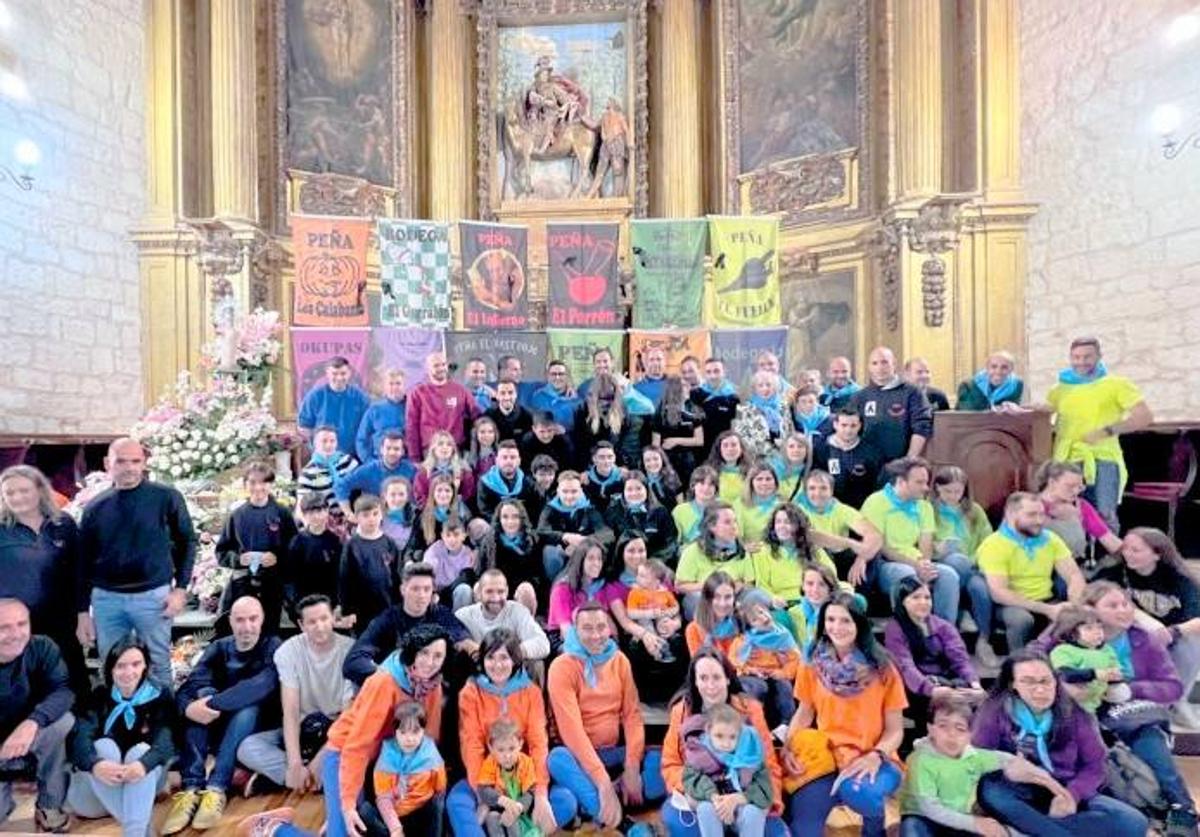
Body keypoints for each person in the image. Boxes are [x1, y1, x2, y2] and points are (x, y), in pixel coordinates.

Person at [970, 648, 1148, 835]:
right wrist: (1006, 765)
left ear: (1056, 682)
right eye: (1028, 681)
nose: (1040, 689)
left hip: (1063, 787)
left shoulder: (1076, 714)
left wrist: (1073, 795)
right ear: (1013, 684)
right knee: (993, 793)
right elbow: (976, 757)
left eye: (1045, 681)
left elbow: (1095, 765)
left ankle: (1030, 830)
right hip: (1016, 790)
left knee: (1134, 822)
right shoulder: (995, 711)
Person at [1074, 582, 1199, 831]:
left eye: (1126, 604)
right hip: (1083, 706)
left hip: (1131, 708)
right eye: (1113, 606)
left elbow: (1172, 687)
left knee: (1145, 730)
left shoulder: (1145, 640)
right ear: (1090, 610)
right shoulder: (1068, 633)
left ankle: (1182, 807)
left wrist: (1131, 689)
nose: (1123, 611)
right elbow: (1035, 659)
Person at [77, 437, 196, 688]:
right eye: (121, 461)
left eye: (135, 461)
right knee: (113, 667)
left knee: (157, 665)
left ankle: (163, 724)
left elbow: (187, 542)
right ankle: (117, 724)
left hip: (153, 598)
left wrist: (181, 589)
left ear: (144, 463)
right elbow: (83, 562)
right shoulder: (95, 508)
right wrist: (82, 613)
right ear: (108, 463)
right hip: (107, 601)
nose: (129, 467)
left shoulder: (166, 498)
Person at [785, 593, 906, 837]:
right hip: (827, 759)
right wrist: (789, 747)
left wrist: (876, 755)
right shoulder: (812, 662)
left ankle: (876, 831)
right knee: (802, 830)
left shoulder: (884, 668)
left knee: (859, 793)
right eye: (830, 619)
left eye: (845, 620)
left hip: (874, 758)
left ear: (859, 624)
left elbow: (896, 730)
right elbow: (804, 712)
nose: (836, 627)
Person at [165, 597, 281, 834]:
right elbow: (190, 685)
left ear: (262, 619)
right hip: (220, 728)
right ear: (230, 621)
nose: (246, 626)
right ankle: (191, 788)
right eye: (240, 620)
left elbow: (260, 686)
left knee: (246, 707)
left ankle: (217, 787)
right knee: (198, 700)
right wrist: (190, 707)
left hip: (257, 727)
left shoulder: (273, 646)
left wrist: (211, 704)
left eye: (252, 619)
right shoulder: (219, 647)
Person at [546, 603, 666, 829]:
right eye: (587, 628)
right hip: (580, 758)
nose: (596, 635)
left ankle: (595, 803)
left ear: (609, 628)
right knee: (557, 759)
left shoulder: (619, 660)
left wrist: (631, 768)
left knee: (662, 762)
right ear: (575, 631)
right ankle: (620, 820)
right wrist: (602, 780)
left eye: (601, 627)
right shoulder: (561, 667)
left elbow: (632, 716)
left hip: (612, 754)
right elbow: (572, 733)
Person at [323, 625, 450, 837]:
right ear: (412, 652)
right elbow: (357, 747)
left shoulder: (433, 683)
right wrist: (347, 805)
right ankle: (276, 828)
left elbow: (429, 738)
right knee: (344, 831)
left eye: (438, 655)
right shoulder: (383, 682)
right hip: (345, 755)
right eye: (424, 653)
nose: (430, 662)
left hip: (385, 761)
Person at [447, 630, 567, 836]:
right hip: (486, 775)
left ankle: (517, 827)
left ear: (515, 660)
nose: (497, 664)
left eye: (504, 657)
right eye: (490, 657)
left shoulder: (531, 692)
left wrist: (540, 795)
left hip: (522, 776)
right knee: (457, 802)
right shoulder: (471, 691)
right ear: (482, 660)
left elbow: (538, 743)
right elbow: (472, 745)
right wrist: (482, 796)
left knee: (565, 800)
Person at [899, 693, 1069, 837]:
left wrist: (1054, 787)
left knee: (999, 830)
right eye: (943, 726)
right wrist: (975, 823)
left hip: (961, 819)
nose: (951, 735)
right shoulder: (920, 760)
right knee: (912, 830)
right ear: (931, 729)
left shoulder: (974, 757)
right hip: (923, 817)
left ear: (970, 734)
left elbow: (1009, 760)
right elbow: (930, 808)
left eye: (960, 728)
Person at [659, 649, 786, 837]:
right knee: (680, 823)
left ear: (727, 678)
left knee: (772, 831)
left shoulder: (750, 709)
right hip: (702, 797)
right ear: (695, 681)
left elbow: (768, 766)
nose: (710, 685)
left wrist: (746, 798)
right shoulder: (681, 712)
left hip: (744, 795)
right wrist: (707, 793)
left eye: (716, 677)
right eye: (703, 678)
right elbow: (671, 764)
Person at [236, 594, 353, 797]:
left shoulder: (350, 650)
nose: (320, 626)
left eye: (324, 619)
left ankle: (284, 780)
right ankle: (305, 778)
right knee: (248, 747)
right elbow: (290, 712)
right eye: (312, 622)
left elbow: (350, 716)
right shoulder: (287, 652)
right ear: (301, 624)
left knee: (362, 749)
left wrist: (321, 759)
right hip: (304, 730)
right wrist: (294, 762)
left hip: (338, 731)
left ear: (333, 617)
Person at [66, 635, 174, 837]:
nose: (129, 672)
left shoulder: (160, 695)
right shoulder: (98, 695)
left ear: (145, 666)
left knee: (141, 751)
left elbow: (166, 742)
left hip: (142, 783)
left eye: (136, 664)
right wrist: (95, 764)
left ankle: (134, 832)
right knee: (104, 746)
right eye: (121, 666)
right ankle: (141, 829)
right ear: (110, 668)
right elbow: (79, 740)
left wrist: (142, 765)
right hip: (96, 793)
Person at [1046, 336, 1153, 529]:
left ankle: (1110, 557)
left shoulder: (1117, 384)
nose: (1081, 362)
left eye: (1087, 356)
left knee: (1105, 513)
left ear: (1099, 356)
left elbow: (1144, 416)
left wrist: (1107, 430)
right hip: (1067, 459)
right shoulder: (1059, 389)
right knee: (1067, 513)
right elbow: (1042, 417)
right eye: (1076, 357)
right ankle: (1077, 557)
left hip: (1103, 458)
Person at [0, 465, 88, 695]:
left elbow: (79, 572)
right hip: (18, 625)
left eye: (24, 490)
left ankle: (79, 726)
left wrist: (83, 613)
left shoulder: (63, 524)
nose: (17, 497)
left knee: (72, 681)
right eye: (9, 493)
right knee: (27, 686)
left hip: (62, 620)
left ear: (39, 490)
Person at [1101, 527, 1200, 728]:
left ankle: (1175, 701)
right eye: (1126, 548)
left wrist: (1173, 632)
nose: (1128, 553)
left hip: (1169, 635)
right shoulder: (1113, 572)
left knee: (1189, 643)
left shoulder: (1179, 579)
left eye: (1136, 550)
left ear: (1156, 554)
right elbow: (1092, 599)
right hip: (1126, 631)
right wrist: (1143, 620)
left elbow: (1197, 619)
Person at [0, 599, 74, 833]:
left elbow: (63, 690)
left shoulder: (42, 647)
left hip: (32, 737)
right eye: (4, 627)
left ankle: (49, 805)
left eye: (22, 624)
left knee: (63, 721)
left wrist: (33, 722)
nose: (16, 634)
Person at [977, 492, 1085, 651]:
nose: (1039, 521)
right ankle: (1017, 663)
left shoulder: (1051, 539)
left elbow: (1074, 575)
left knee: (1072, 615)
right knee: (1021, 619)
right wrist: (1047, 610)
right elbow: (999, 592)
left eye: (1042, 514)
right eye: (1032, 515)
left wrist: (1074, 604)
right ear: (1011, 515)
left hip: (1048, 598)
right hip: (1011, 604)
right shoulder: (994, 544)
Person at [860, 458, 961, 623]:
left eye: (926, 482)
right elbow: (880, 547)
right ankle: (910, 633)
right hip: (885, 564)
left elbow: (925, 544)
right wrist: (916, 566)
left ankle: (944, 631)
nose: (926, 488)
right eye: (920, 482)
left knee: (949, 575)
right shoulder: (875, 502)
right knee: (908, 576)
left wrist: (925, 565)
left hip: (917, 560)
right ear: (901, 481)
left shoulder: (924, 506)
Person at [883, 578, 983, 743]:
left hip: (945, 683)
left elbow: (961, 660)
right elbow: (905, 667)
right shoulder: (895, 629)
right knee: (935, 703)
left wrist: (975, 685)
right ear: (902, 602)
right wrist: (931, 690)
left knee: (970, 697)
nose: (923, 602)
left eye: (927, 597)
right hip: (915, 688)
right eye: (915, 597)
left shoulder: (943, 626)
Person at [342, 563, 471, 687]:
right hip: (397, 687)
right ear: (403, 589)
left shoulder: (440, 614)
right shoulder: (387, 620)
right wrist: (391, 677)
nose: (421, 595)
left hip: (433, 687)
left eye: (427, 589)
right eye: (415, 589)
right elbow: (353, 662)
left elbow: (464, 640)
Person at [217, 461, 298, 635]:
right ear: (245, 484)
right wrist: (238, 560)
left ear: (271, 484)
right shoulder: (237, 515)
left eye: (263, 482)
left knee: (269, 631)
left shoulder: (281, 513)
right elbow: (221, 552)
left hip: (272, 584)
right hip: (243, 585)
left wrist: (278, 557)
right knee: (246, 632)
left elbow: (295, 549)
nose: (258, 487)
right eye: (253, 482)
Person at [930, 465, 998, 668]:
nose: (953, 496)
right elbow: (921, 541)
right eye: (947, 491)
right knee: (955, 563)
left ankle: (983, 640)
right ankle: (958, 619)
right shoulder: (928, 510)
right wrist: (937, 548)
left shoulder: (974, 511)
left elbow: (988, 542)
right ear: (937, 489)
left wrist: (974, 559)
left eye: (957, 491)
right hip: (940, 563)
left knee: (980, 588)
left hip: (973, 564)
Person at [750, 504, 850, 641]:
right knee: (802, 614)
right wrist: (772, 598)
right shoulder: (763, 551)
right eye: (778, 522)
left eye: (788, 522)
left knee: (851, 598)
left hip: (818, 596)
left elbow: (830, 573)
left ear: (798, 526)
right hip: (788, 602)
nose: (782, 526)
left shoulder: (812, 548)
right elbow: (762, 584)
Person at [682, 704, 773, 837]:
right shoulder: (698, 754)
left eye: (732, 737)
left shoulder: (751, 755)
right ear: (708, 730)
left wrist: (739, 798)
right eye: (719, 736)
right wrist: (713, 796)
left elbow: (765, 789)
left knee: (753, 813)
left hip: (741, 808)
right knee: (705, 809)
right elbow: (691, 779)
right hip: (716, 806)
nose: (726, 743)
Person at [796, 469, 882, 589]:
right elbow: (810, 536)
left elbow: (875, 536)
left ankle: (859, 600)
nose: (818, 493)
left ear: (831, 491)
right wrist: (850, 543)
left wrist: (862, 558)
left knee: (873, 555)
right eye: (812, 488)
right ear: (805, 492)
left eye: (823, 488)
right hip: (814, 558)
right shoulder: (798, 511)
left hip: (839, 556)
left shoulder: (840, 509)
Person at [728, 589, 800, 729]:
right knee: (753, 688)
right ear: (749, 627)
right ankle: (751, 725)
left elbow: (794, 659)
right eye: (755, 619)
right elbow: (733, 659)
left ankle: (787, 725)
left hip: (776, 672)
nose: (762, 617)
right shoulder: (744, 640)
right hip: (754, 674)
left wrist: (783, 673)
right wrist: (749, 669)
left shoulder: (782, 635)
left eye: (762, 612)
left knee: (784, 687)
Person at [372, 702, 447, 836]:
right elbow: (383, 797)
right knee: (366, 811)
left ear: (423, 731)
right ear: (395, 733)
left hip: (421, 812)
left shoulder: (430, 753)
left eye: (415, 732)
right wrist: (395, 828)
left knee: (437, 804)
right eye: (403, 732)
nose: (409, 739)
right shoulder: (387, 755)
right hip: (394, 815)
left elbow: (440, 787)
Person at [848, 346, 934, 460]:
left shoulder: (912, 392)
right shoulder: (860, 397)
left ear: (894, 364)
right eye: (875, 363)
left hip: (900, 464)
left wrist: (909, 460)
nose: (880, 367)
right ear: (869, 367)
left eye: (884, 362)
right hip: (868, 465)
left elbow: (922, 427)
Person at [1037, 460, 1123, 568]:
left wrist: (1134, 552)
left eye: (1079, 487)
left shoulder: (1081, 506)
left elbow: (1108, 538)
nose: (1076, 492)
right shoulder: (1030, 505)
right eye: (1070, 486)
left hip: (1070, 568)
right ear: (1052, 483)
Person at [1047, 604, 1131, 714]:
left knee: (1123, 692)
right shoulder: (1063, 651)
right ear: (1072, 633)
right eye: (1089, 628)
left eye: (1099, 627)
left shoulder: (1106, 649)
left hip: (1099, 698)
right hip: (1072, 705)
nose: (1097, 632)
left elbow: (1115, 667)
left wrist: (1115, 676)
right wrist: (1094, 674)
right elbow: (1064, 674)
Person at [337, 494, 402, 632]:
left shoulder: (389, 543)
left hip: (387, 605)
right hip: (361, 610)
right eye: (366, 515)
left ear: (381, 515)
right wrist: (347, 611)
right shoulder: (352, 546)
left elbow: (397, 576)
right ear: (357, 518)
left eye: (375, 514)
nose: (371, 519)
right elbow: (345, 580)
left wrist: (400, 605)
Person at [455, 570, 550, 665]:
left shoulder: (518, 611)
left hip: (510, 669)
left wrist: (509, 653)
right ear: (479, 593)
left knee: (536, 664)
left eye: (500, 592)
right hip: (477, 670)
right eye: (489, 591)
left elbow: (543, 644)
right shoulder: (463, 616)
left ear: (507, 591)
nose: (496, 598)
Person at [535, 470, 613, 586]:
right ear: (558, 491)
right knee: (550, 552)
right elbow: (541, 531)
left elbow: (607, 534)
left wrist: (582, 543)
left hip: (584, 554)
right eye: (565, 491)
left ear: (581, 491)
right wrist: (565, 537)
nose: (569, 496)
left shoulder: (589, 508)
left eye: (574, 491)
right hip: (560, 555)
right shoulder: (550, 509)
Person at [676, 503, 751, 619]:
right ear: (712, 526)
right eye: (727, 522)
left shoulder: (741, 550)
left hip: (734, 597)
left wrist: (729, 592)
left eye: (735, 521)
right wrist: (713, 587)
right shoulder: (692, 551)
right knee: (695, 599)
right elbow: (680, 586)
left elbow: (748, 582)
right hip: (705, 597)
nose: (734, 526)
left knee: (757, 596)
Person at [407, 352, 481, 460]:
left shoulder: (460, 390)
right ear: (427, 369)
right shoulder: (417, 393)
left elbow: (477, 416)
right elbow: (411, 426)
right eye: (436, 365)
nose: (441, 368)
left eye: (443, 364)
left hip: (455, 449)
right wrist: (415, 457)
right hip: (429, 451)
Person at [574, 373, 654, 469]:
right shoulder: (583, 411)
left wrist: (624, 466)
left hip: (616, 462)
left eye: (610, 398)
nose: (605, 403)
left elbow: (628, 445)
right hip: (590, 463)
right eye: (601, 399)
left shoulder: (622, 411)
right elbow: (580, 445)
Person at [810, 407, 885, 510]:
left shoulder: (871, 452)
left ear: (859, 426)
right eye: (844, 425)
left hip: (861, 510)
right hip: (828, 510)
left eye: (853, 426)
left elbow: (878, 484)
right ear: (835, 425)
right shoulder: (820, 448)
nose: (848, 430)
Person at [476, 504, 545, 615]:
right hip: (497, 590)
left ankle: (524, 627)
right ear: (499, 519)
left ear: (521, 519)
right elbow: (481, 571)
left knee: (526, 589)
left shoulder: (532, 540)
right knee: (479, 587)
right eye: (505, 517)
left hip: (521, 590)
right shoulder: (489, 541)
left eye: (515, 517)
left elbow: (537, 575)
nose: (510, 521)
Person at [473, 719, 537, 837]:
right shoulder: (490, 762)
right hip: (498, 806)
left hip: (518, 809)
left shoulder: (526, 763)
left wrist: (516, 808)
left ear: (520, 744)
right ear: (491, 748)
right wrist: (502, 800)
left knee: (512, 822)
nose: (507, 756)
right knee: (491, 818)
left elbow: (530, 793)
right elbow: (483, 789)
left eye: (512, 748)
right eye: (501, 750)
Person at [546, 538, 626, 633]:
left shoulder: (601, 586)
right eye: (591, 558)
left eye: (599, 559)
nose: (596, 563)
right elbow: (566, 629)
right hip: (564, 636)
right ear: (581, 560)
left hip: (593, 635)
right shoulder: (562, 588)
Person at [298, 357, 371, 456]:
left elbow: (368, 428)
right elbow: (304, 427)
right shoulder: (315, 396)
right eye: (335, 374)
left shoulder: (360, 398)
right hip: (323, 457)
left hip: (354, 457)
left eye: (343, 373)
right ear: (327, 373)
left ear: (349, 373)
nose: (339, 378)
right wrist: (316, 448)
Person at [286, 494, 344, 616]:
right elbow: (290, 579)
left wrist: (339, 603)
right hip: (305, 605)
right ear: (304, 515)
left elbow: (340, 575)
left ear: (327, 511)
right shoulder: (297, 543)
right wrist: (297, 606)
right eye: (311, 513)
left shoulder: (334, 541)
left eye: (320, 511)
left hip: (330, 605)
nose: (317, 516)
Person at [604, 471, 678, 563]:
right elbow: (608, 540)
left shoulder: (660, 512)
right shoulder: (613, 511)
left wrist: (652, 563)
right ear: (623, 492)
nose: (634, 493)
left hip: (653, 564)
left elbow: (670, 543)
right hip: (622, 565)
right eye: (629, 489)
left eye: (638, 488)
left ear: (646, 489)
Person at [334, 431, 415, 513]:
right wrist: (349, 514)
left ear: (403, 452)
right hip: (373, 519)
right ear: (381, 449)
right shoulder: (368, 470)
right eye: (388, 448)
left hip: (404, 518)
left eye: (396, 449)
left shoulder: (411, 470)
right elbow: (341, 486)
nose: (392, 452)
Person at [625, 559, 681, 662]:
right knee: (647, 625)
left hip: (660, 615)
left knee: (664, 620)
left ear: (656, 582)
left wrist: (667, 613)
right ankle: (659, 650)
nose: (637, 578)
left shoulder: (664, 592)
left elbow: (676, 607)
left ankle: (670, 640)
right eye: (638, 574)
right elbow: (631, 613)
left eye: (642, 576)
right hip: (644, 618)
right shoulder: (636, 592)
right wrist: (648, 613)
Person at [653, 378, 706, 484]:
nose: (688, 389)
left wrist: (675, 440)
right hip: (667, 459)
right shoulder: (661, 413)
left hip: (688, 459)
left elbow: (699, 440)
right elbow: (655, 444)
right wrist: (665, 464)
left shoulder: (694, 410)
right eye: (684, 387)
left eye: (687, 386)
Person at [422, 516, 477, 612]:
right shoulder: (435, 550)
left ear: (464, 536)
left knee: (464, 589)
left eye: (456, 535)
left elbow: (466, 579)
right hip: (436, 593)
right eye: (448, 535)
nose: (452, 540)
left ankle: (458, 622)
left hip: (454, 594)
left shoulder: (468, 554)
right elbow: (426, 573)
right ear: (442, 536)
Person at [732, 370, 791, 460]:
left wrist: (783, 445)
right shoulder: (744, 408)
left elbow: (789, 429)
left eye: (768, 385)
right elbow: (741, 436)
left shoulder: (783, 406)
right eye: (760, 385)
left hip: (782, 458)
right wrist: (768, 450)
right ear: (755, 389)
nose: (765, 389)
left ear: (774, 387)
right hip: (756, 459)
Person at [411, 430, 477, 508]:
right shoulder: (423, 472)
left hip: (457, 511)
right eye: (440, 444)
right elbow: (420, 497)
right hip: (429, 512)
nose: (445, 447)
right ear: (433, 448)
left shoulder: (463, 471)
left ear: (453, 449)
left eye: (449, 445)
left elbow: (468, 495)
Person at [356, 367, 408, 464]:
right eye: (391, 384)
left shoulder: (412, 408)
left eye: (398, 383)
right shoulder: (374, 409)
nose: (395, 387)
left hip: (405, 464)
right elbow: (361, 440)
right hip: (378, 463)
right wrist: (369, 462)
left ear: (405, 385)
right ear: (385, 386)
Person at [297, 426, 358, 507]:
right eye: (324, 441)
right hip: (323, 514)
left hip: (350, 511)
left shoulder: (348, 462)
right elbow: (302, 503)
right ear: (315, 443)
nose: (329, 445)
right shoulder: (308, 472)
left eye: (332, 441)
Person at [692, 358, 740, 456]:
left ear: (724, 372)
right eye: (708, 372)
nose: (712, 376)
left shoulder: (733, 397)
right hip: (700, 452)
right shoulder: (695, 395)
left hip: (724, 452)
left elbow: (734, 428)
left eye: (716, 371)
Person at [686, 572, 740, 658]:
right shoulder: (694, 629)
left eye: (728, 597)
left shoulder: (744, 622)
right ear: (707, 598)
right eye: (716, 597)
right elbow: (700, 665)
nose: (722, 604)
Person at [733, 465, 782, 550]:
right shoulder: (739, 504)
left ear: (775, 482)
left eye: (768, 479)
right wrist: (743, 546)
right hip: (752, 554)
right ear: (751, 482)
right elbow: (734, 535)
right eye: (759, 479)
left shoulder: (783, 504)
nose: (764, 483)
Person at [956, 351, 1024, 411]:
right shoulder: (967, 385)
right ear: (987, 368)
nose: (998, 371)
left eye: (1004, 367)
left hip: (1003, 424)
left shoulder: (1017, 385)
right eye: (994, 367)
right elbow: (964, 411)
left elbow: (1014, 409)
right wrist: (993, 408)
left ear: (1011, 370)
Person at [529, 360, 581, 430]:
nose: (557, 377)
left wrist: (565, 431)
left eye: (561, 374)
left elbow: (580, 430)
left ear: (567, 376)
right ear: (548, 376)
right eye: (553, 374)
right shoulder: (538, 397)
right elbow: (533, 423)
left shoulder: (577, 401)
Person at [673, 466, 718, 546]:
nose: (706, 488)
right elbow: (676, 543)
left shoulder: (723, 509)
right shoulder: (679, 511)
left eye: (711, 484)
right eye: (702, 483)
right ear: (693, 486)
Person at [705, 431, 750, 504]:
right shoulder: (708, 472)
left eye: (734, 445)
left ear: (741, 449)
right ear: (719, 450)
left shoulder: (752, 472)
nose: (730, 449)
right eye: (725, 445)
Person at [582, 441, 626, 513]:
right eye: (601, 457)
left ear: (614, 458)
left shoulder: (622, 478)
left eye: (610, 457)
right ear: (594, 459)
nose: (606, 461)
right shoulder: (586, 479)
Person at [485, 379, 533, 444]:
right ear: (497, 396)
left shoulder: (526, 416)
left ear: (516, 394)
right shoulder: (488, 415)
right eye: (502, 393)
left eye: (510, 393)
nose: (507, 397)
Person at [380, 476, 417, 557]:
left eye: (401, 494)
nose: (397, 499)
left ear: (407, 496)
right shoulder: (376, 516)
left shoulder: (416, 516)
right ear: (385, 496)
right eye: (392, 494)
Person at [768, 433, 809, 503]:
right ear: (785, 449)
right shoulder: (770, 468)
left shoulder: (808, 473)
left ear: (807, 450)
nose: (796, 450)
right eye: (791, 446)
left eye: (800, 446)